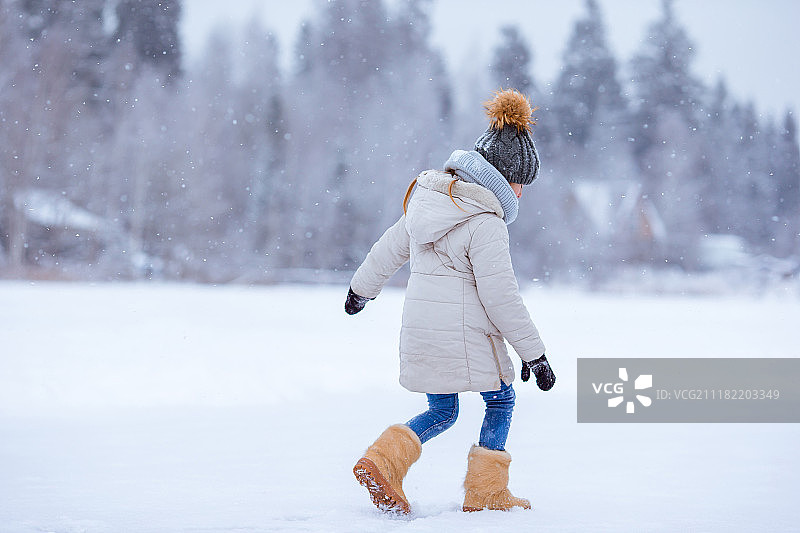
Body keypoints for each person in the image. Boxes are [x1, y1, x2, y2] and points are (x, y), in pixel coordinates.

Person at [344, 88, 556, 515]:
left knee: (442, 410)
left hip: (422, 332)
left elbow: (388, 249)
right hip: (465, 337)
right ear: (499, 179)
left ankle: (383, 459)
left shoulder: (425, 205)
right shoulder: (486, 224)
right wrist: (534, 354)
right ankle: (487, 492)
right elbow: (501, 297)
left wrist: (360, 289)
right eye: (519, 184)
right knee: (501, 398)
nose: (521, 194)